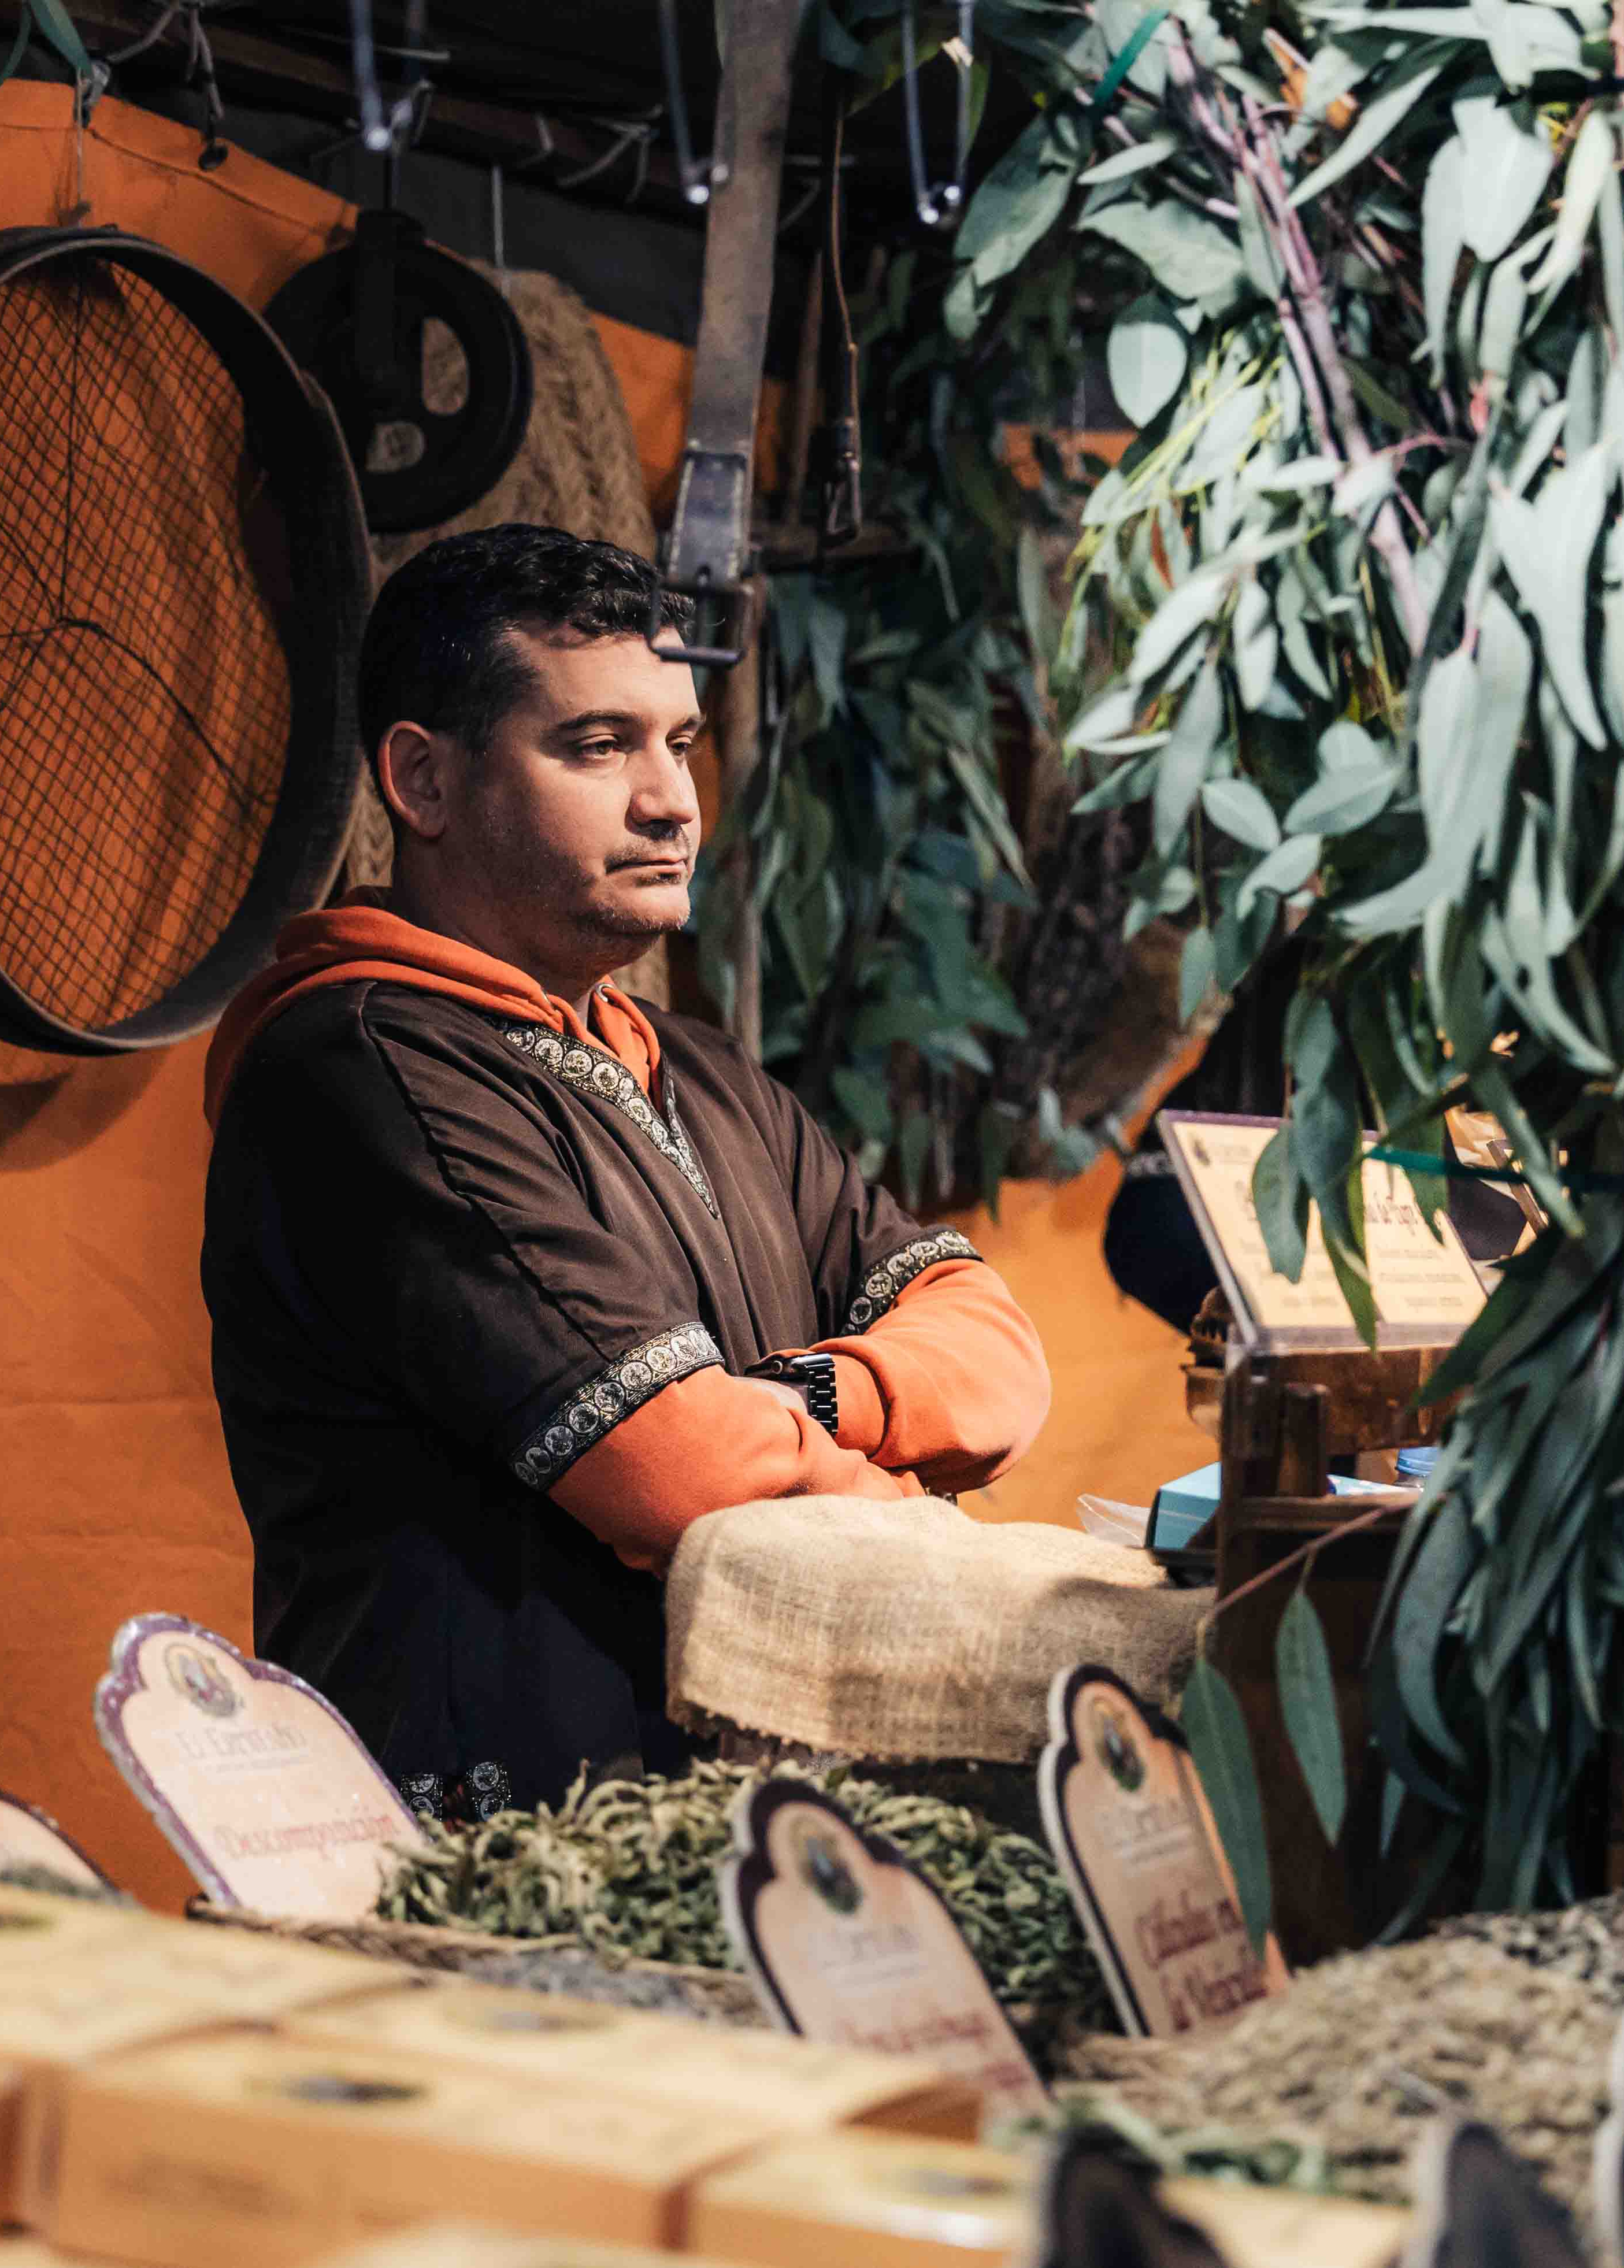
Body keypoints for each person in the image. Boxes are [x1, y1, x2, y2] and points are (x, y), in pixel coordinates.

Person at [201, 527, 1051, 1807]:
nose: (671, 801)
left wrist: (811, 1404)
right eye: (598, 746)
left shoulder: (699, 1073)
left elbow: (998, 1357)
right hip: (497, 1855)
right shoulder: (364, 1065)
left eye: (681, 742)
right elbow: (682, 1475)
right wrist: (900, 1491)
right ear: (422, 783)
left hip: (733, 1832)